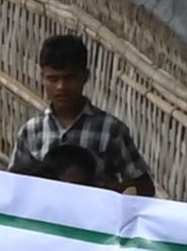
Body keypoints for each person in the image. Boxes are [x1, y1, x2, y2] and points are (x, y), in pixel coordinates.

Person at [10, 38, 155, 200]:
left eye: (69, 78)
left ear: (85, 77)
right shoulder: (31, 131)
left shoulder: (110, 130)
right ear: (42, 78)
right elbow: (14, 185)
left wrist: (100, 192)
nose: (61, 87)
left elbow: (144, 186)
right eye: (53, 79)